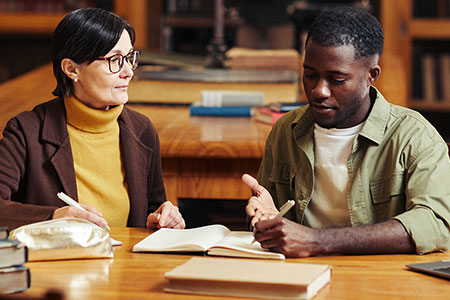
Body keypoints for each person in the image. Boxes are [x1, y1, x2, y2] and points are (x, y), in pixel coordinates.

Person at [242, 6, 450, 258]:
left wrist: (317, 241)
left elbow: (436, 224)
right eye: (310, 75)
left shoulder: (415, 137)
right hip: (301, 278)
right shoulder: (285, 131)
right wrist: (266, 221)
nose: (320, 91)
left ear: (371, 75)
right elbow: (274, 225)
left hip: (380, 283)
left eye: (337, 80)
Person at [0, 8, 185, 230]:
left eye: (129, 58)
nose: (128, 72)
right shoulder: (26, 132)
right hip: (60, 263)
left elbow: (151, 210)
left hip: (127, 264)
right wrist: (54, 217)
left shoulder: (141, 129)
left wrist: (163, 219)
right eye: (115, 60)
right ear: (71, 69)